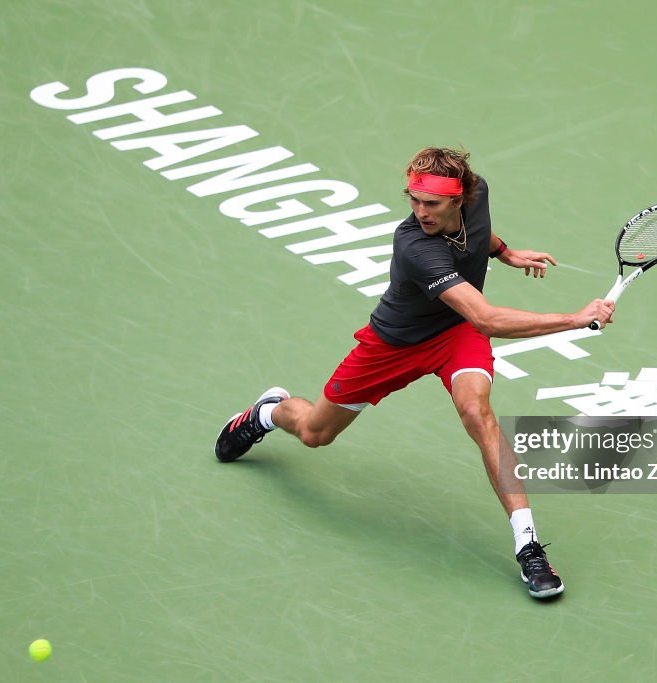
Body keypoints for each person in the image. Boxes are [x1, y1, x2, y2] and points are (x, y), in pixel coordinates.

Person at [216, 147, 615, 599]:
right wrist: (573, 319)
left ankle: (529, 547)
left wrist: (505, 252)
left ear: (460, 198)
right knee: (314, 433)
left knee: (476, 412)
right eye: (414, 201)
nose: (420, 212)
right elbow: (486, 319)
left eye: (432, 204)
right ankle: (267, 413)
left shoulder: (478, 192)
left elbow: (477, 234)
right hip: (394, 344)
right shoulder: (415, 246)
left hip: (454, 333)